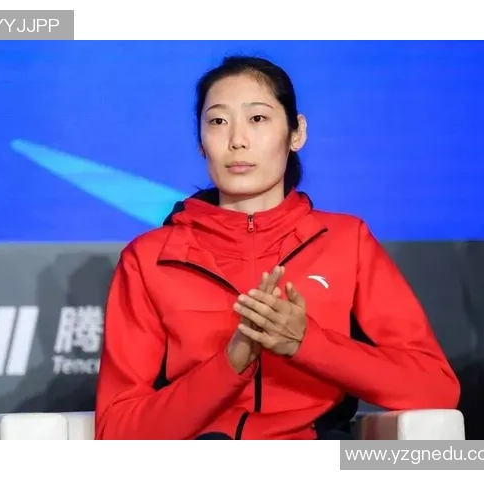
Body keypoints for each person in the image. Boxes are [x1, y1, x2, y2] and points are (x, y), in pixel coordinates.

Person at [94, 55, 460, 440]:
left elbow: (435, 387)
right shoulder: (150, 258)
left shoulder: (346, 241)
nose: (237, 140)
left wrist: (307, 343)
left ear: (296, 133)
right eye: (218, 122)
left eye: (257, 118)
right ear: (201, 142)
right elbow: (117, 431)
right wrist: (228, 366)